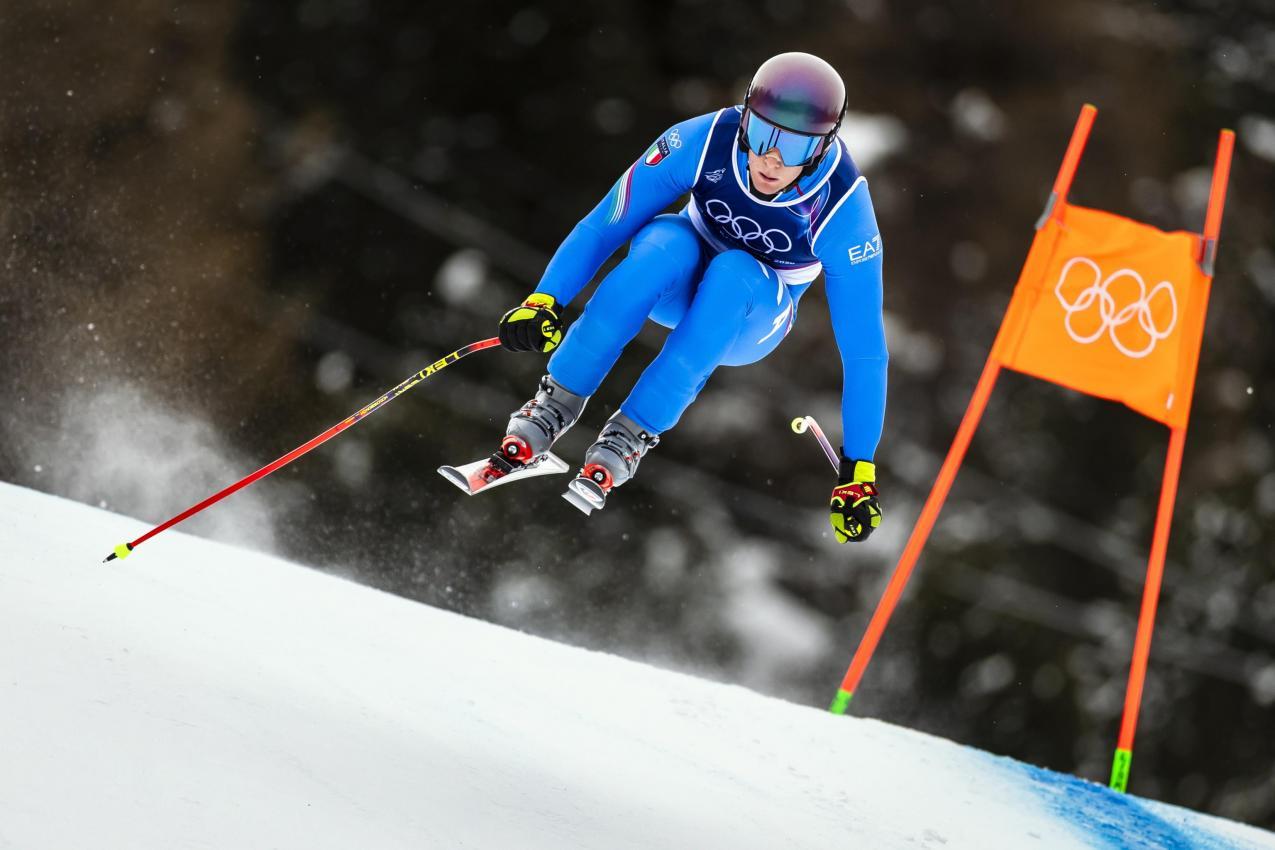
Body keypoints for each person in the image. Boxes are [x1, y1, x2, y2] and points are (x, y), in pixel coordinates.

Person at [495, 51, 886, 541]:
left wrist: (859, 470)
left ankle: (630, 435)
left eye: (794, 146)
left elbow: (865, 350)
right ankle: (554, 402)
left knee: (734, 271)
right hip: (678, 283)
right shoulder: (704, 140)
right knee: (664, 241)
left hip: (750, 318)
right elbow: (606, 222)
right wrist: (544, 300)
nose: (772, 159)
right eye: (762, 134)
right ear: (745, 118)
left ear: (823, 145)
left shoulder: (843, 207)